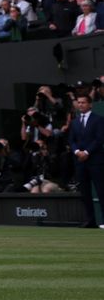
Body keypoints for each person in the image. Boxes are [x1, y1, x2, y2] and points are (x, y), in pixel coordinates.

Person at [68, 92, 104, 228]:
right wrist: (77, 152)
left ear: (90, 104)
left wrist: (87, 152)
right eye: (79, 102)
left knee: (101, 191)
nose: (80, 104)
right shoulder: (74, 122)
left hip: (96, 161)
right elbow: (71, 140)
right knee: (85, 192)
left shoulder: (98, 119)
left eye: (83, 102)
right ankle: (91, 221)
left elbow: (99, 139)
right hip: (80, 162)